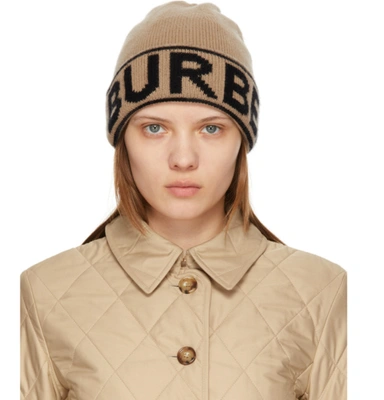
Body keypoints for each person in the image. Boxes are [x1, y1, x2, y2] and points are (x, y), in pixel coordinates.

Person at [20, 2, 347, 399]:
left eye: (211, 128)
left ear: (242, 139)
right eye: (154, 128)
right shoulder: (44, 294)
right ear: (123, 138)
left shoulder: (322, 292)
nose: (183, 158)